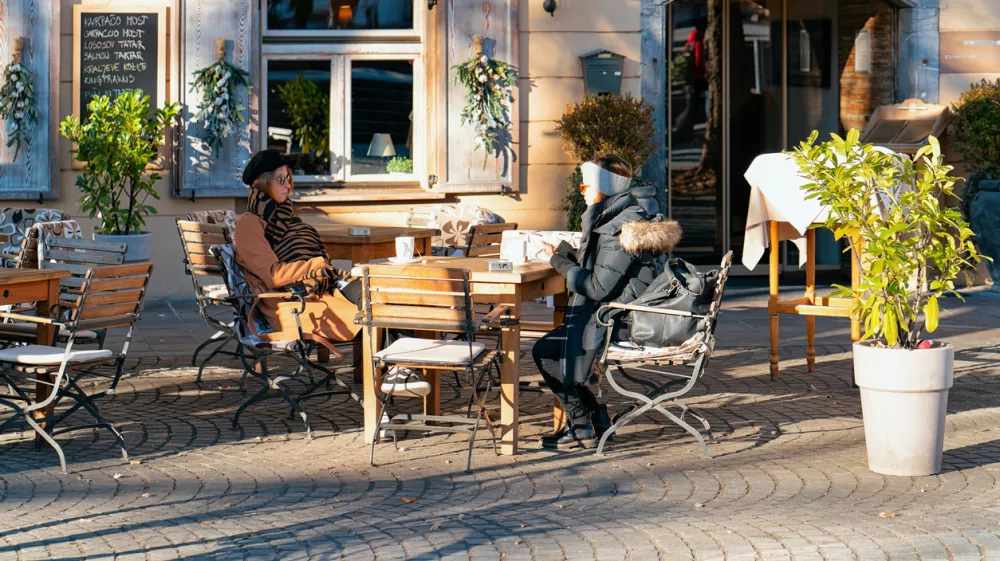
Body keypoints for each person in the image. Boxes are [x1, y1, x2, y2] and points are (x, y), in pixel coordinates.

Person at [234, 149, 429, 396]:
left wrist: (320, 267)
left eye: (289, 179)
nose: (288, 186)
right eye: (280, 179)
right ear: (262, 183)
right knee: (374, 301)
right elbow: (273, 275)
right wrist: (315, 264)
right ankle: (398, 370)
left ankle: (401, 368)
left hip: (323, 290)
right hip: (290, 305)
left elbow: (307, 255)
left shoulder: (288, 218)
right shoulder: (249, 223)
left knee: (381, 291)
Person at [534, 155, 682, 449]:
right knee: (556, 348)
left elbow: (598, 286)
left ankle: (582, 425)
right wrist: (563, 255)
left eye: (584, 185)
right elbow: (605, 270)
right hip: (614, 314)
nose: (582, 190)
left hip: (619, 321)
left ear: (602, 188)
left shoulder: (621, 231)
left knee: (546, 351)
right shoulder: (619, 218)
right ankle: (596, 419)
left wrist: (558, 264)